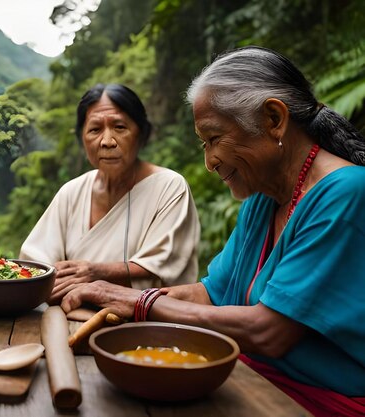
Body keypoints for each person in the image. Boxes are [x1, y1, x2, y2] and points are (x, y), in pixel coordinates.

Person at [58, 47, 365, 416]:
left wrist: (137, 302)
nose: (208, 162)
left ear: (273, 119)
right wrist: (111, 297)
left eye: (215, 139)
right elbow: (210, 293)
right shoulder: (263, 197)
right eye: (203, 144)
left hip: (315, 401)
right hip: (251, 380)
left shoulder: (344, 193)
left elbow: (268, 331)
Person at [20, 83, 200, 304]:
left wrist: (96, 272)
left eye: (120, 127)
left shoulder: (169, 188)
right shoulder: (72, 192)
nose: (107, 141)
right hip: (69, 317)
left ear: (142, 134)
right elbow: (36, 263)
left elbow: (166, 266)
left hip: (145, 327)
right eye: (95, 130)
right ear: (82, 138)